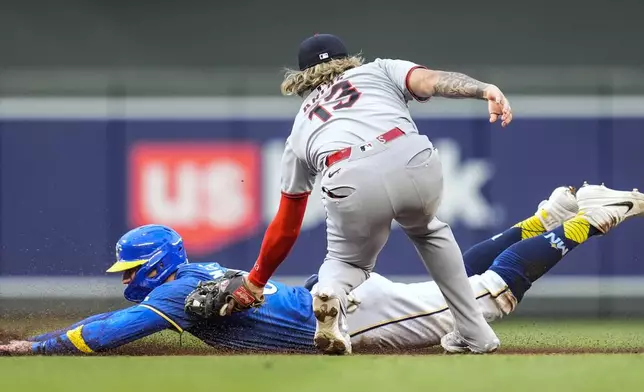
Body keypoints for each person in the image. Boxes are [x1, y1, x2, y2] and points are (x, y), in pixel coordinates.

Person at [1, 183, 642, 356]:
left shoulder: (171, 290)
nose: (125, 277)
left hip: (348, 318)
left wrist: (39, 346)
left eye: (130, 267)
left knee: (484, 301)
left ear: (156, 264)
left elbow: (113, 330)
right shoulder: (192, 276)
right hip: (335, 301)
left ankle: (591, 219)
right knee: (452, 289)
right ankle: (542, 218)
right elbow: (123, 313)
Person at [221, 33, 513, 355]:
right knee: (430, 232)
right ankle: (475, 333)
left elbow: (287, 224)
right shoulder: (378, 70)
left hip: (347, 175)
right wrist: (483, 89)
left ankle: (331, 290)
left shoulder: (300, 127)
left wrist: (257, 280)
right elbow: (432, 81)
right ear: (347, 59)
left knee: (346, 262)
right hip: (411, 157)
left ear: (301, 77)